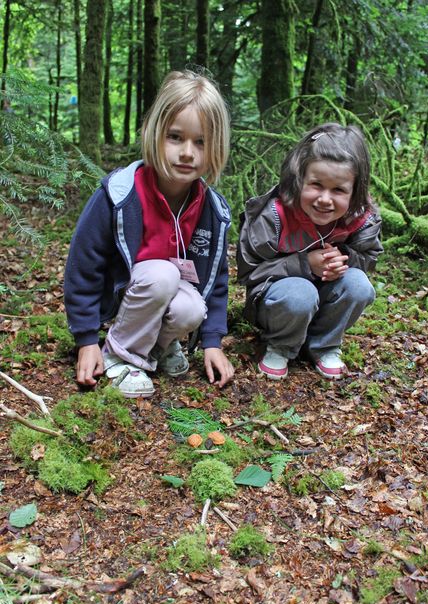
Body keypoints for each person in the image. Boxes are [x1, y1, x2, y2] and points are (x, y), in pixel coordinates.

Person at [64, 70, 234, 397]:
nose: (188, 152)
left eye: (201, 141)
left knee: (192, 308)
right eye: (175, 137)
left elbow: (217, 278)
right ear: (154, 133)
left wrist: (212, 342)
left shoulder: (213, 210)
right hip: (122, 298)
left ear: (216, 147)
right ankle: (119, 353)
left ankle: (158, 344)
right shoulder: (120, 194)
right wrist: (87, 340)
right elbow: (83, 265)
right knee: (163, 273)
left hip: (161, 293)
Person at [237, 122, 383, 381]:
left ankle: (324, 344)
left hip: (325, 295)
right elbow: (251, 273)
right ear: (299, 179)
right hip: (278, 302)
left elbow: (369, 258)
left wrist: (344, 258)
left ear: (355, 190)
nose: (325, 199)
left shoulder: (362, 219)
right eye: (316, 185)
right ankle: (280, 345)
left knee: (359, 284)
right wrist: (304, 264)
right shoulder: (275, 216)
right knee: (300, 293)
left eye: (338, 190)